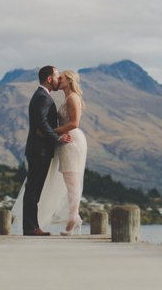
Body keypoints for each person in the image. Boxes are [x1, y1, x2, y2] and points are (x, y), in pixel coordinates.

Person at [20, 65, 72, 236]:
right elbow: (41, 123)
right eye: (57, 77)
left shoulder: (42, 95)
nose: (58, 80)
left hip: (39, 149)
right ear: (49, 79)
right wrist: (57, 138)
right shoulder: (42, 97)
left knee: (34, 189)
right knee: (33, 190)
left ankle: (31, 226)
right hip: (39, 150)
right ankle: (31, 227)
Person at [54, 70, 87, 235]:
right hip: (68, 140)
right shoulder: (68, 97)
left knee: (72, 181)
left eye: (61, 78)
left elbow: (74, 123)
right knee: (70, 181)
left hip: (71, 140)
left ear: (69, 79)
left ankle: (72, 219)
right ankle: (75, 217)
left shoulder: (73, 97)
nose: (58, 80)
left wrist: (53, 131)